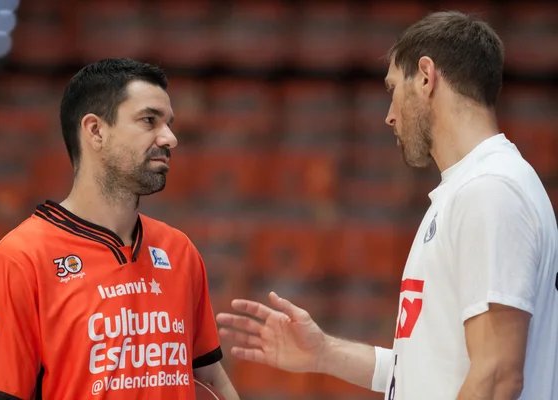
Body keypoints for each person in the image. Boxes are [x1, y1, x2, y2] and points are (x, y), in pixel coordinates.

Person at [216, 11, 558, 400]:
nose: (389, 115)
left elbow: (497, 377)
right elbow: (426, 367)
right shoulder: (472, 189)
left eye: (393, 88)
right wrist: (325, 352)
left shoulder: (490, 190)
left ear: (426, 77)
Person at [0, 58, 239, 400]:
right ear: (95, 131)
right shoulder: (20, 260)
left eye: (169, 123)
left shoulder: (178, 249)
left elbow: (209, 376)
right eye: (149, 120)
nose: (170, 138)